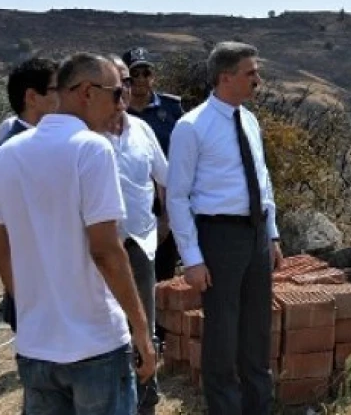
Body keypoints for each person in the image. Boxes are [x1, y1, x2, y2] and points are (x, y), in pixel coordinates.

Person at [0, 53, 156, 415]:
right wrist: (142, 331)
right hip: (95, 345)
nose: (122, 104)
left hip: (36, 346)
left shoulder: (7, 154)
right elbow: (107, 252)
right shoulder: (92, 149)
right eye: (116, 94)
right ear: (86, 92)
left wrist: (33, 302)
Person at [166, 42, 283, 415]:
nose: (257, 80)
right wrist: (192, 258)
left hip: (255, 235)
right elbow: (177, 196)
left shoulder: (249, 120)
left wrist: (273, 233)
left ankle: (258, 408)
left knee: (257, 330)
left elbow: (262, 179)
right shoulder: (191, 126)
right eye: (250, 73)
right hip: (219, 237)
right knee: (222, 333)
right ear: (225, 77)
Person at [105, 56, 168, 415]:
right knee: (106, 333)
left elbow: (165, 178)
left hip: (139, 248)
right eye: (119, 83)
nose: (126, 89)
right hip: (94, 253)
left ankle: (146, 403)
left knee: (143, 328)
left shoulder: (142, 131)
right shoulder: (84, 136)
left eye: (129, 82)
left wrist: (166, 225)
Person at [0, 56, 59, 331]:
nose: (62, 96)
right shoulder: (11, 152)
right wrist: (24, 296)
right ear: (32, 97)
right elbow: (1, 241)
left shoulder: (45, 143)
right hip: (35, 288)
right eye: (55, 89)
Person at [121, 47, 185, 288]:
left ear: (153, 76)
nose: (140, 80)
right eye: (133, 74)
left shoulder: (171, 109)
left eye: (145, 73)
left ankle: (161, 324)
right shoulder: (114, 112)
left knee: (163, 276)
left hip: (167, 202)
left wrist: (168, 216)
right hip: (130, 204)